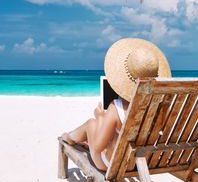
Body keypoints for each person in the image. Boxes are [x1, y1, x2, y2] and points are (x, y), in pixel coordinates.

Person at [61, 38, 172, 171]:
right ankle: (74, 137)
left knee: (92, 123)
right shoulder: (160, 106)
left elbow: (98, 147)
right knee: (103, 127)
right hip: (143, 162)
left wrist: (100, 117)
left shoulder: (116, 107)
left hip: (113, 164)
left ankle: (70, 137)